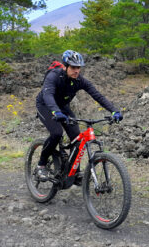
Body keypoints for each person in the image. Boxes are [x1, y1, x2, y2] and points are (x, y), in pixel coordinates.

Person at [35, 50, 123, 184]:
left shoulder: (80, 80)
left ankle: (75, 173)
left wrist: (114, 111)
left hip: (63, 108)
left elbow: (97, 96)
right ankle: (41, 166)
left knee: (77, 138)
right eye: (73, 67)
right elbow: (48, 95)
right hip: (46, 106)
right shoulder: (53, 76)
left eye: (79, 67)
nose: (76, 70)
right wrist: (55, 112)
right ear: (65, 66)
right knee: (57, 133)